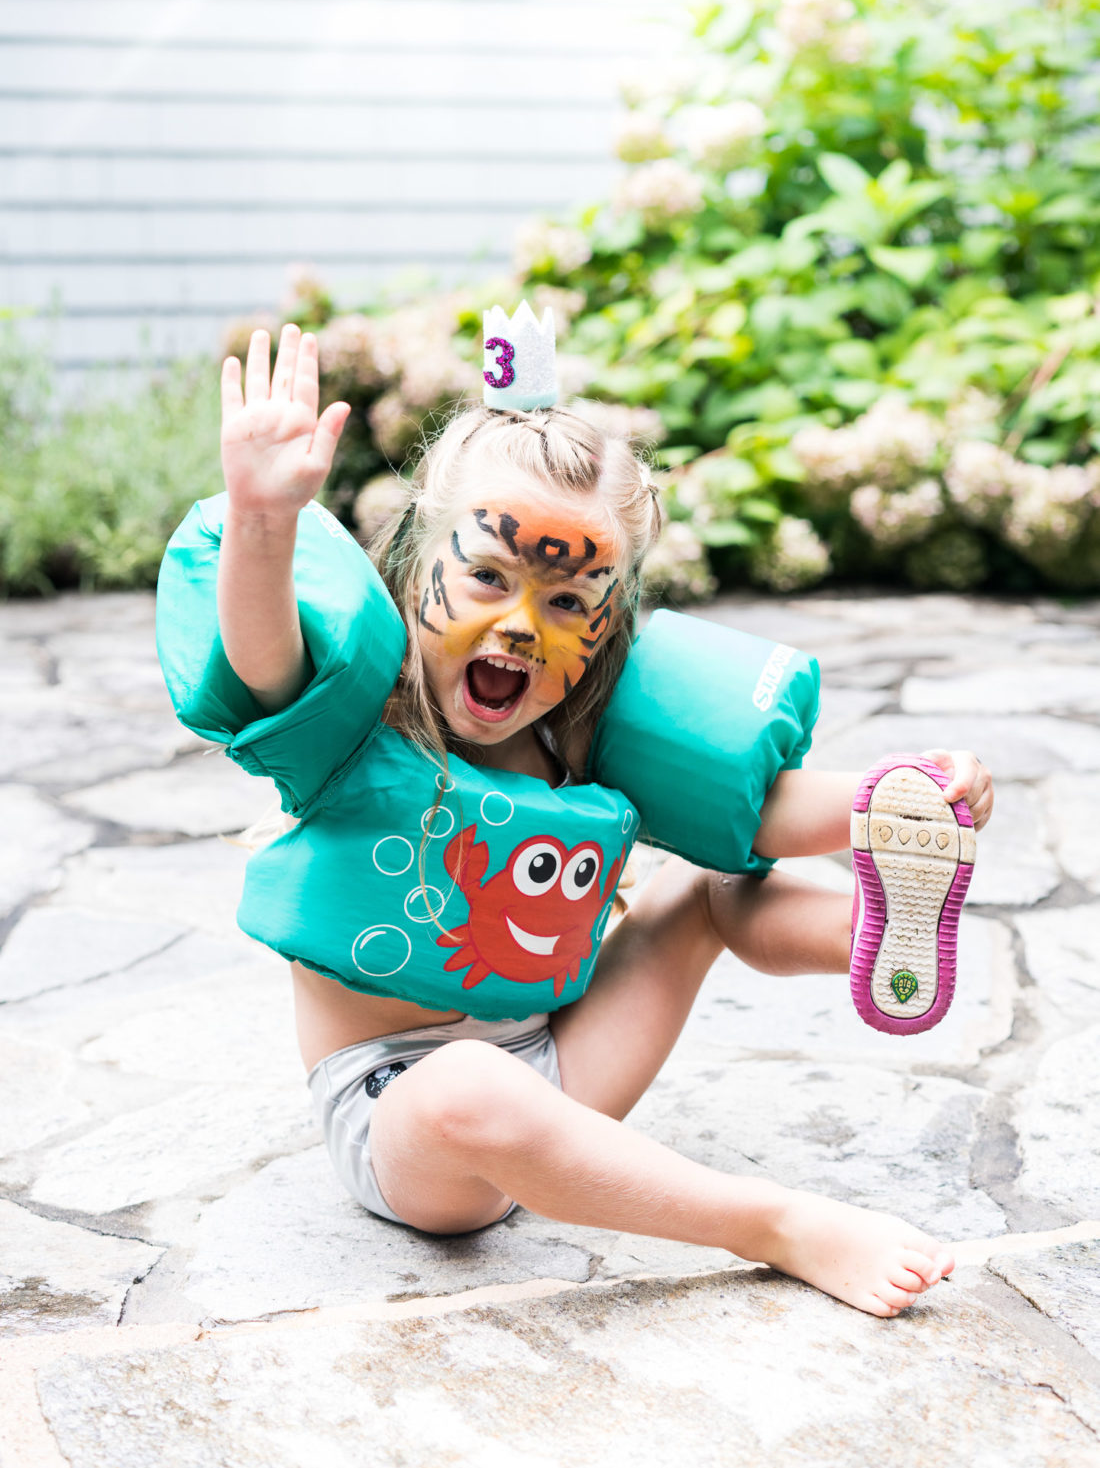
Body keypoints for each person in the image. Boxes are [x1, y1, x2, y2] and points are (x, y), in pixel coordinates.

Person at [156, 315, 994, 1320]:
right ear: (420, 559)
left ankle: (881, 939)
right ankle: (775, 1222)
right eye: (486, 577)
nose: (519, 623)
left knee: (707, 880)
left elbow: (760, 813)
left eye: (565, 601)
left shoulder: (580, 736)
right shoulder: (350, 726)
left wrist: (897, 799)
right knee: (468, 1084)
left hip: (561, 1064)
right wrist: (262, 516)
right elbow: (263, 661)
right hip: (410, 1124)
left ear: (607, 620)